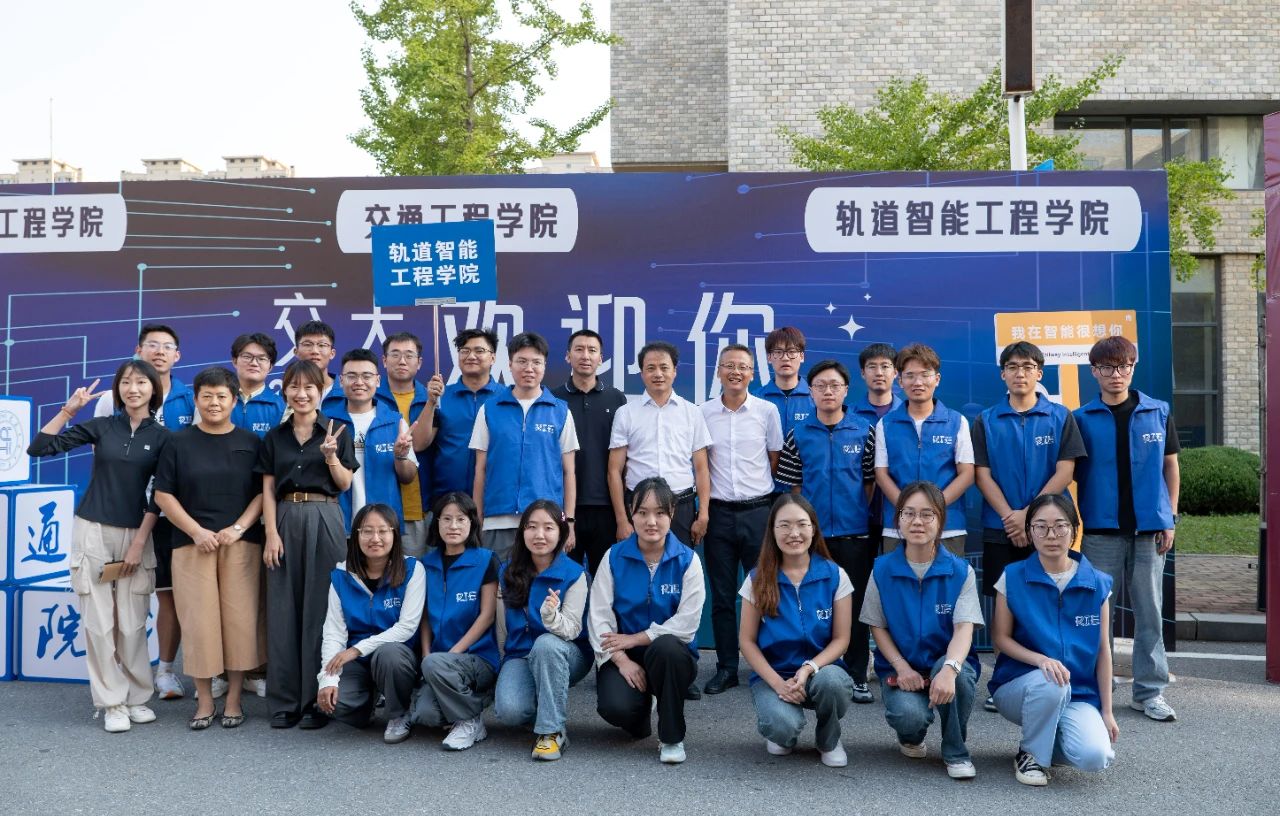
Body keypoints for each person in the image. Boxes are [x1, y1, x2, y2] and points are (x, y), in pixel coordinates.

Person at [27, 361, 169, 733]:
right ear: (117, 389)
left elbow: (161, 494)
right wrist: (68, 410)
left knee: (133, 622)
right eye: (126, 382)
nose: (133, 389)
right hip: (92, 529)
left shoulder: (164, 437)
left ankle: (137, 697)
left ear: (153, 389)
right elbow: (39, 448)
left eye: (141, 382)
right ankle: (112, 703)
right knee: (100, 622)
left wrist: (139, 541)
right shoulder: (102, 426)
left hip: (137, 533)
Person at [973, 341, 1086, 712]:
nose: (1020, 373)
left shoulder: (1060, 416)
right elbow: (981, 474)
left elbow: (1066, 470)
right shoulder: (986, 420)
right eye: (1012, 367)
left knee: (1049, 601)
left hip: (1050, 529)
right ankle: (1003, 682)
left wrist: (1030, 515)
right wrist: (1012, 516)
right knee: (1004, 604)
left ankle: (1056, 676)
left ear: (1039, 373)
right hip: (1001, 526)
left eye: (1027, 366)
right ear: (1002, 374)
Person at [1074, 335, 1181, 722]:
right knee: (1096, 612)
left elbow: (1171, 467)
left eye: (1123, 366)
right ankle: (1096, 685)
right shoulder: (1081, 418)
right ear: (1094, 372)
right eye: (1107, 367)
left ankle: (1149, 691)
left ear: (1133, 368)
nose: (1115, 374)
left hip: (1149, 530)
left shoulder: (1158, 412)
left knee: (1149, 612)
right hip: (1100, 532)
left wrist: (1170, 517)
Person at [152, 366, 265, 730]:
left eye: (221, 396)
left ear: (233, 400)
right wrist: (196, 531)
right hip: (191, 544)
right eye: (207, 396)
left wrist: (238, 528)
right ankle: (203, 700)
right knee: (199, 623)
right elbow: (163, 494)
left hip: (240, 544)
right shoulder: (177, 442)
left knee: (239, 623)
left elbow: (262, 494)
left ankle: (233, 699)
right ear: (196, 399)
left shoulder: (251, 442)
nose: (214, 403)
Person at [94, 323, 195, 701]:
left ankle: (165, 671)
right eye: (152, 345)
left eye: (167, 346)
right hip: (122, 514)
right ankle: (117, 672)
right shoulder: (112, 399)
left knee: (168, 595)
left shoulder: (189, 398)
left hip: (170, 515)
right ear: (138, 350)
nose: (159, 351)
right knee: (117, 594)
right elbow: (103, 459)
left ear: (177, 356)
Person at [256, 359, 358, 729]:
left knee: (322, 609)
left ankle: (319, 699)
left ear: (321, 391)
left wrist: (330, 457)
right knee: (282, 608)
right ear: (285, 391)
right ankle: (285, 701)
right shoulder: (275, 436)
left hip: (325, 515)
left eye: (309, 387)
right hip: (284, 517)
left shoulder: (338, 430)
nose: (301, 394)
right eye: (294, 387)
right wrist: (271, 533)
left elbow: (345, 483)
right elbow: (268, 488)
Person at [989, 494, 1118, 786]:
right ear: (1029, 531)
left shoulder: (1097, 583)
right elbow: (1000, 638)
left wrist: (1107, 712)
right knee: (1051, 681)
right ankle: (1031, 754)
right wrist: (1041, 660)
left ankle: (1046, 741)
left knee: (1095, 756)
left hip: (1079, 693)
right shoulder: (1012, 576)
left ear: (1074, 530)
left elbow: (1103, 651)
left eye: (1060, 526)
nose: (1051, 535)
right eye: (1041, 526)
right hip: (1020, 685)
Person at [607, 341, 711, 701]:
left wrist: (703, 512)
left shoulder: (691, 412)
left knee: (679, 586)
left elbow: (701, 467)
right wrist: (622, 518)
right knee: (637, 583)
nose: (657, 373)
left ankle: (682, 665)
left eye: (664, 367)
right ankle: (629, 658)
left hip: (680, 508)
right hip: (638, 509)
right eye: (650, 367)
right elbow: (615, 470)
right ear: (641, 372)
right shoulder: (627, 412)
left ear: (675, 371)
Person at [860, 482, 983, 780]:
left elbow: (964, 629)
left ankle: (955, 751)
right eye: (909, 513)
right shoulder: (881, 569)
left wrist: (950, 669)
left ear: (941, 520)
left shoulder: (960, 571)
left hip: (946, 661)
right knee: (909, 717)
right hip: (902, 668)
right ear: (898, 519)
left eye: (927, 514)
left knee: (957, 675)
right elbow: (877, 626)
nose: (917, 522)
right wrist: (901, 667)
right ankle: (911, 737)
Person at [775, 360, 877, 704]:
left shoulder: (864, 430)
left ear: (846, 390)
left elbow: (869, 482)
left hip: (855, 534)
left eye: (834, 385)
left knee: (856, 605)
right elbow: (794, 486)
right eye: (820, 386)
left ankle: (858, 674)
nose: (828, 391)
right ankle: (809, 672)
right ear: (811, 392)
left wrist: (852, 512)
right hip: (811, 538)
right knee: (812, 604)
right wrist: (806, 527)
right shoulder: (798, 433)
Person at [589, 477, 706, 764]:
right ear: (631, 513)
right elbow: (599, 617)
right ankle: (640, 713)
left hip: (671, 657)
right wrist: (621, 659)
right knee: (616, 708)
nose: (651, 521)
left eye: (660, 513)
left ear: (672, 514)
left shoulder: (688, 560)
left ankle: (671, 737)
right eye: (643, 512)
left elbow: (687, 624)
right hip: (625, 655)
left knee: (666, 648)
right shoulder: (613, 557)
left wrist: (637, 638)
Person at [738, 494, 855, 767]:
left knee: (832, 683)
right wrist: (778, 684)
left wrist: (809, 668)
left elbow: (842, 639)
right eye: (784, 525)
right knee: (782, 729)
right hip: (775, 674)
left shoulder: (835, 575)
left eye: (802, 524)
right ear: (772, 531)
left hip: (821, 671)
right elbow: (747, 641)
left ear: (813, 529)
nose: (794, 533)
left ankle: (829, 739)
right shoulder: (757, 579)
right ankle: (783, 728)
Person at [699, 343, 783, 695]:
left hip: (758, 512)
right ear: (718, 371)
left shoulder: (767, 411)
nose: (735, 372)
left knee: (764, 591)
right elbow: (700, 464)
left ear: (752, 373)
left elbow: (773, 459)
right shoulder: (702, 413)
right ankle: (727, 668)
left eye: (743, 366)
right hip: (718, 514)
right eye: (729, 365)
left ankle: (769, 666)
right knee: (721, 595)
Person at [316, 503, 425, 745]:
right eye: (367, 531)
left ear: (394, 534)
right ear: (356, 535)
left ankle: (398, 714)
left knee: (389, 655)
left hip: (396, 656)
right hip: (358, 662)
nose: (375, 538)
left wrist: (356, 649)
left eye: (383, 531)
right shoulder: (342, 575)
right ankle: (366, 706)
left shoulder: (412, 569)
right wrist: (327, 680)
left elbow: (407, 627)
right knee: (335, 704)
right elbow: (333, 632)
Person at [493, 499, 591, 761]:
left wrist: (551, 617)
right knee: (509, 711)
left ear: (561, 533)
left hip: (565, 653)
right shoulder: (507, 571)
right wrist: (504, 665)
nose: (539, 535)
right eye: (532, 527)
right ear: (522, 531)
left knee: (546, 644)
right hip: (520, 654)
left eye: (548, 527)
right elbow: (502, 626)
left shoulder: (574, 574)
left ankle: (552, 731)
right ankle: (546, 704)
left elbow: (572, 630)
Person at [471, 332, 579, 561]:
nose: (529, 368)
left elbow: (569, 472)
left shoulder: (560, 411)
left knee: (544, 581)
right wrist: (478, 518)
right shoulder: (489, 409)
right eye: (522, 361)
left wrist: (568, 520)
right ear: (510, 364)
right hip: (497, 521)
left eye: (536, 362)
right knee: (498, 581)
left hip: (546, 523)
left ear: (544, 366)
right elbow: (480, 469)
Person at [412, 492, 501, 751]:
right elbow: (424, 616)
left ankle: (469, 719)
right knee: (425, 715)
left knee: (436, 666)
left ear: (472, 523)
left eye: (461, 519)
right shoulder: (425, 564)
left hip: (477, 657)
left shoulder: (485, 560)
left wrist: (449, 655)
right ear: (437, 523)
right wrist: (427, 655)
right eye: (446, 519)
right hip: (437, 660)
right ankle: (470, 704)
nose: (453, 526)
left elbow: (487, 616)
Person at [874, 343, 974, 557]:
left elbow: (967, 474)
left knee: (949, 578)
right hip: (897, 527)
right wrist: (908, 512)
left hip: (948, 526)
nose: (917, 382)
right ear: (900, 381)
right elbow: (881, 474)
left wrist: (934, 509)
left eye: (925, 375)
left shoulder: (957, 421)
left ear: (936, 379)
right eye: (910, 376)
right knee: (896, 578)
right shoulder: (886, 424)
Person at [552, 329, 628, 575]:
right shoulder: (553, 399)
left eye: (592, 350)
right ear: (568, 356)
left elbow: (624, 460)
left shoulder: (616, 399)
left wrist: (622, 517)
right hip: (563, 507)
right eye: (579, 349)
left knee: (605, 581)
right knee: (564, 580)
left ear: (601, 358)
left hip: (606, 507)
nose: (585, 355)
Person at [326, 348, 418, 531]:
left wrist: (400, 456)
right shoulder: (326, 421)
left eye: (366, 376)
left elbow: (408, 477)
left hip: (383, 528)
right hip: (337, 525)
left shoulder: (395, 422)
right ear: (341, 380)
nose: (359, 382)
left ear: (377, 380)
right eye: (352, 376)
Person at [379, 331, 442, 557]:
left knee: (418, 573)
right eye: (395, 354)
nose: (402, 361)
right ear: (384, 360)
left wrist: (431, 402)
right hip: (379, 508)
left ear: (419, 362)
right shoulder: (371, 399)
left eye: (409, 355)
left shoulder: (431, 397)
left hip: (419, 508)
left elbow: (421, 445)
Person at [420, 328, 499, 505]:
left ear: (493, 358)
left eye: (479, 350)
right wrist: (431, 402)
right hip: (446, 499)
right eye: (465, 351)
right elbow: (420, 443)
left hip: (494, 498)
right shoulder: (441, 397)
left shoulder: (505, 398)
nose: (471, 356)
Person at [849, 343, 900, 557]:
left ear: (896, 372)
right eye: (872, 366)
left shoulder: (908, 414)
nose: (879, 372)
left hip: (899, 515)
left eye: (885, 366)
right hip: (858, 516)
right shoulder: (848, 416)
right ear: (863, 372)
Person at [757, 327, 813, 495]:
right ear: (769, 357)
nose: (785, 358)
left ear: (802, 356)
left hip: (805, 489)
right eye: (778, 352)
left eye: (792, 352)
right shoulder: (756, 399)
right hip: (764, 490)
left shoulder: (816, 398)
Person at [229, 332, 285, 438]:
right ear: (234, 361)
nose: (254, 363)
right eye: (247, 356)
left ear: (270, 366)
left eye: (262, 358)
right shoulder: (219, 401)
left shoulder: (281, 407)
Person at [293, 320, 339, 400]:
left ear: (332, 353)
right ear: (296, 352)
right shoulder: (283, 397)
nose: (315, 351)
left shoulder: (347, 393)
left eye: (322, 345)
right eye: (307, 344)